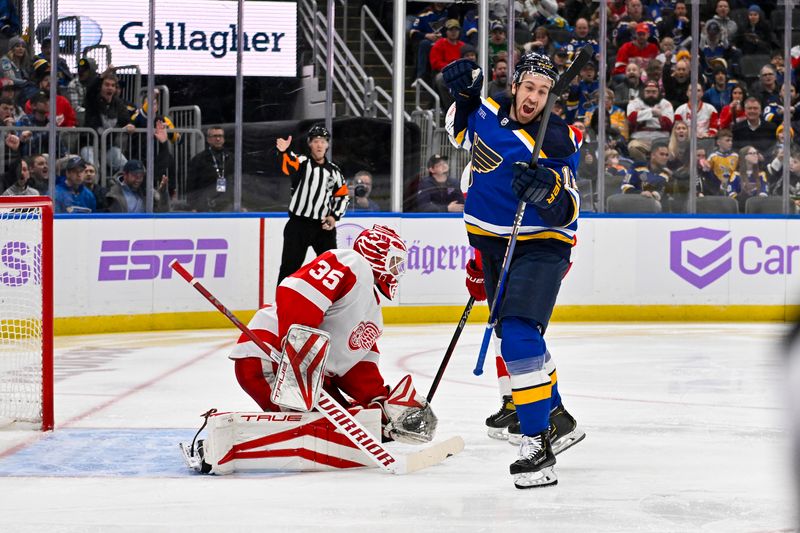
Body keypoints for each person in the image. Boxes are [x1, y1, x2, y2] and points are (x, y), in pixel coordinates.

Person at [442, 52, 585, 488]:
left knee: (520, 332)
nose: (535, 98)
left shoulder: (558, 139)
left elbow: (569, 209)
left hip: (542, 244)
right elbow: (456, 131)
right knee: (516, 336)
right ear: (516, 85)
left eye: (544, 92)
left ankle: (538, 444)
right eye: (530, 88)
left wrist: (548, 192)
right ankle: (556, 415)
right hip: (492, 245)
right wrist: (465, 96)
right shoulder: (487, 113)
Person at [229, 224, 436, 445]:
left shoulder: (371, 309)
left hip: (309, 375)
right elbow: (297, 293)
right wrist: (299, 355)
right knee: (318, 430)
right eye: (394, 261)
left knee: (349, 427)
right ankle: (234, 444)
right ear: (376, 254)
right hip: (270, 358)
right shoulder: (352, 262)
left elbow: (354, 363)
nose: (398, 270)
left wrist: (378, 401)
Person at [274, 124, 349, 285]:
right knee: (289, 269)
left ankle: (330, 306)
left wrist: (334, 216)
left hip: (323, 228)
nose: (319, 145)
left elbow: (343, 197)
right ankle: (281, 306)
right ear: (310, 144)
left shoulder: (334, 172)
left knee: (331, 269)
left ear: (328, 145)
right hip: (298, 225)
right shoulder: (302, 162)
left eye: (323, 141)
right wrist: (284, 151)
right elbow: (288, 166)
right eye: (316, 141)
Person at [186, 126, 233, 212]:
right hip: (204, 204)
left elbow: (237, 182)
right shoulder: (199, 159)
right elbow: (191, 184)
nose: (218, 139)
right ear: (208, 139)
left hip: (226, 203)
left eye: (220, 136)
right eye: (214, 136)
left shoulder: (231, 158)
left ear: (224, 139)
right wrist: (192, 206)